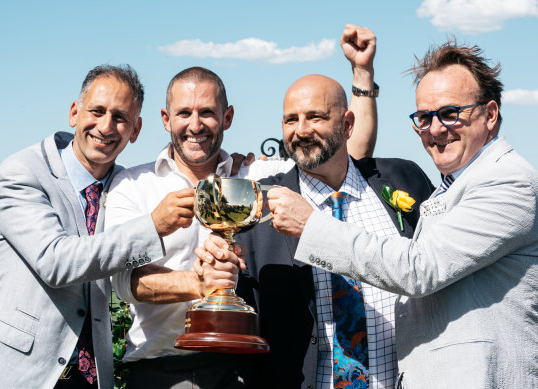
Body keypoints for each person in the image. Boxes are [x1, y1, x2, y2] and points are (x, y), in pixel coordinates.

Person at [105, 24, 381, 389]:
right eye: (184, 113)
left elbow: (345, 154)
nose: (195, 124)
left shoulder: (256, 175)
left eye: (207, 112)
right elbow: (124, 283)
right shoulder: (133, 185)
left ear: (228, 117)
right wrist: (198, 284)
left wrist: (362, 74)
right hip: (162, 368)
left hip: (244, 368)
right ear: (165, 119)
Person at [261, 40, 538, 387]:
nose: (435, 129)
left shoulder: (507, 182)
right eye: (424, 117)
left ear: (490, 114)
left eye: (450, 113)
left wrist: (312, 226)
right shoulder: (453, 185)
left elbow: (419, 268)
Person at [0, 65, 239, 389]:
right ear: (74, 112)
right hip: (19, 377)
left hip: (91, 378)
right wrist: (153, 226)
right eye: (97, 111)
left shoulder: (119, 185)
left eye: (120, 117)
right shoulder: (22, 173)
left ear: (135, 130)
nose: (106, 127)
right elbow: (55, 262)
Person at [196, 30, 434, 389]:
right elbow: (238, 305)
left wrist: (363, 74)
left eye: (316, 117)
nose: (301, 130)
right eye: (291, 120)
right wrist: (215, 273)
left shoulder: (403, 180)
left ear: (347, 124)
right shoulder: (257, 209)